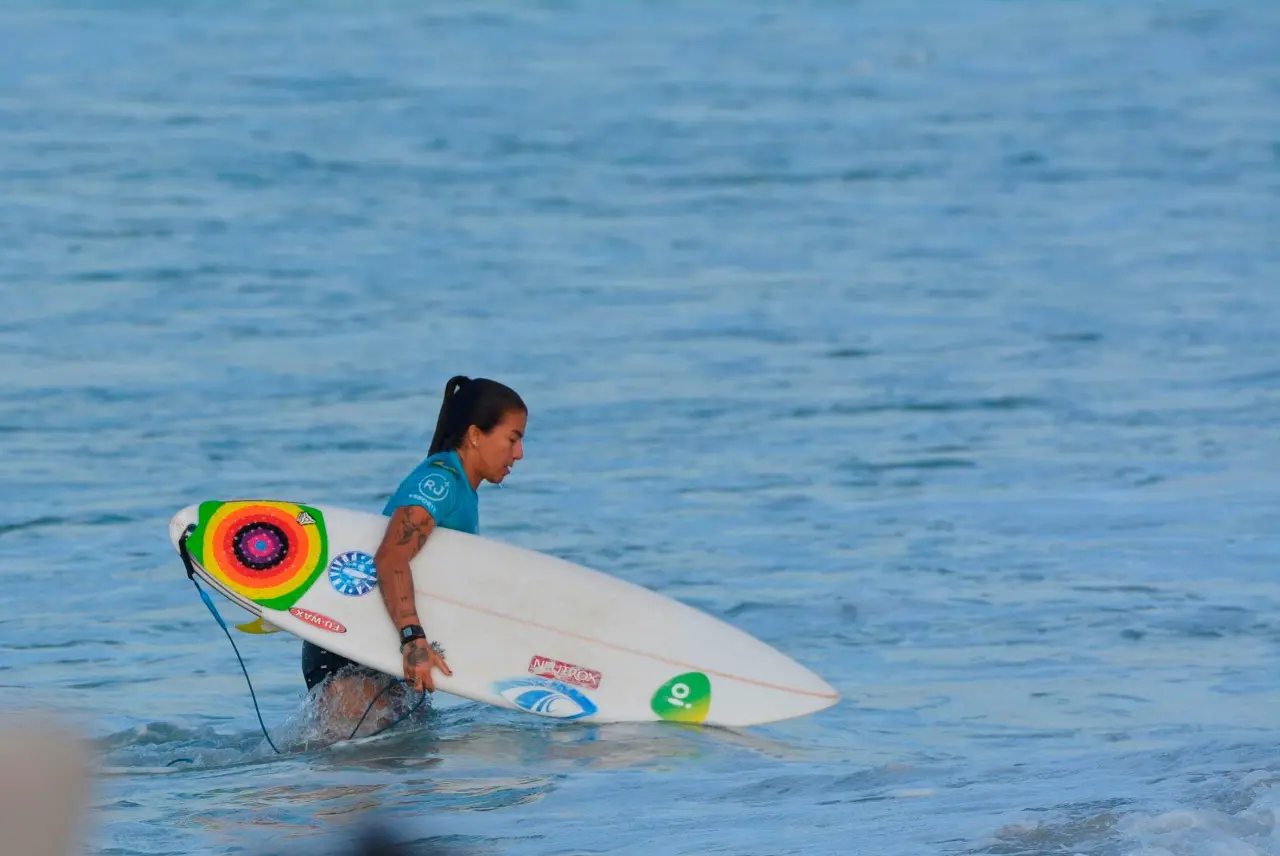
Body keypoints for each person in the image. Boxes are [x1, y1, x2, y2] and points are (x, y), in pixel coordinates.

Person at [301, 375, 527, 726]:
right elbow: (390, 557)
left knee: (407, 769)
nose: (519, 453)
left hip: (385, 648)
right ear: (475, 435)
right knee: (356, 771)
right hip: (354, 647)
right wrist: (413, 641)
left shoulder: (463, 489)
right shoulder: (439, 482)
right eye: (513, 439)